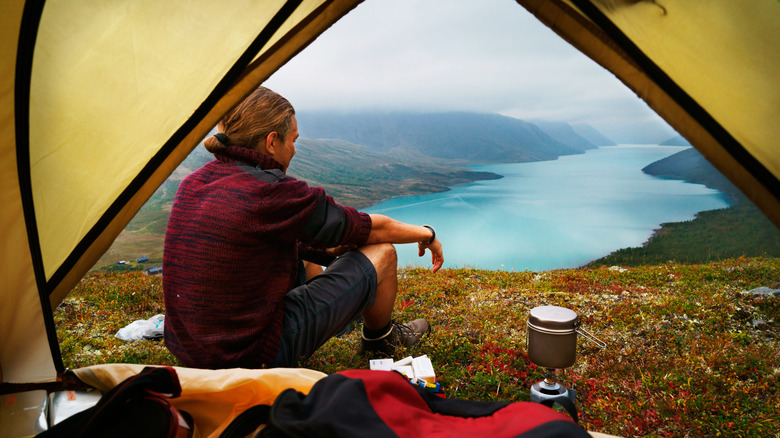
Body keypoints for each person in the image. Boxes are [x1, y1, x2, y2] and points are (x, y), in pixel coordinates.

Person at [162, 86, 444, 369]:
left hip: (190, 352)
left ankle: (343, 311)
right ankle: (381, 340)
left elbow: (268, 240)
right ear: (272, 141)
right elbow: (372, 229)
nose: (295, 149)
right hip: (252, 356)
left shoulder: (194, 183)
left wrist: (334, 247)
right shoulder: (270, 190)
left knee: (303, 248)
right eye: (293, 140)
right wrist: (426, 233)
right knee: (382, 252)